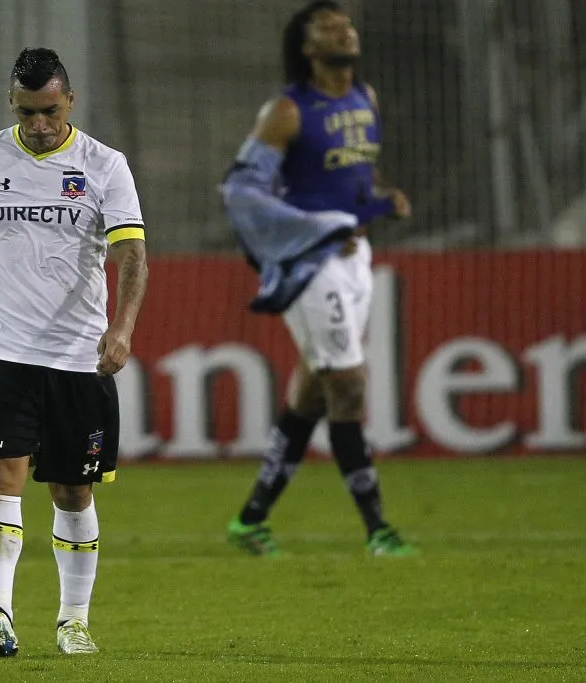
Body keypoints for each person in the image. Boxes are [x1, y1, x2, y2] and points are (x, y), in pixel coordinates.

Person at [0, 48, 148, 657]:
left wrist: (123, 328)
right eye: (28, 112)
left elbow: (132, 255)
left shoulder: (105, 166)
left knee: (72, 493)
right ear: (13, 103)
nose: (39, 124)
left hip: (80, 353)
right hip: (2, 349)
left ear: (69, 102)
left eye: (50, 111)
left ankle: (72, 620)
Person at [221, 1, 415, 557]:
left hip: (356, 258)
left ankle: (251, 520)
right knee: (348, 384)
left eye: (346, 24)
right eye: (328, 28)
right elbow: (241, 191)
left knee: (311, 394)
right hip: (312, 266)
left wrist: (379, 199)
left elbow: (352, 174)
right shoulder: (285, 112)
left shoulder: (366, 98)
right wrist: (312, 231)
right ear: (307, 48)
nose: (343, 31)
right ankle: (379, 529)